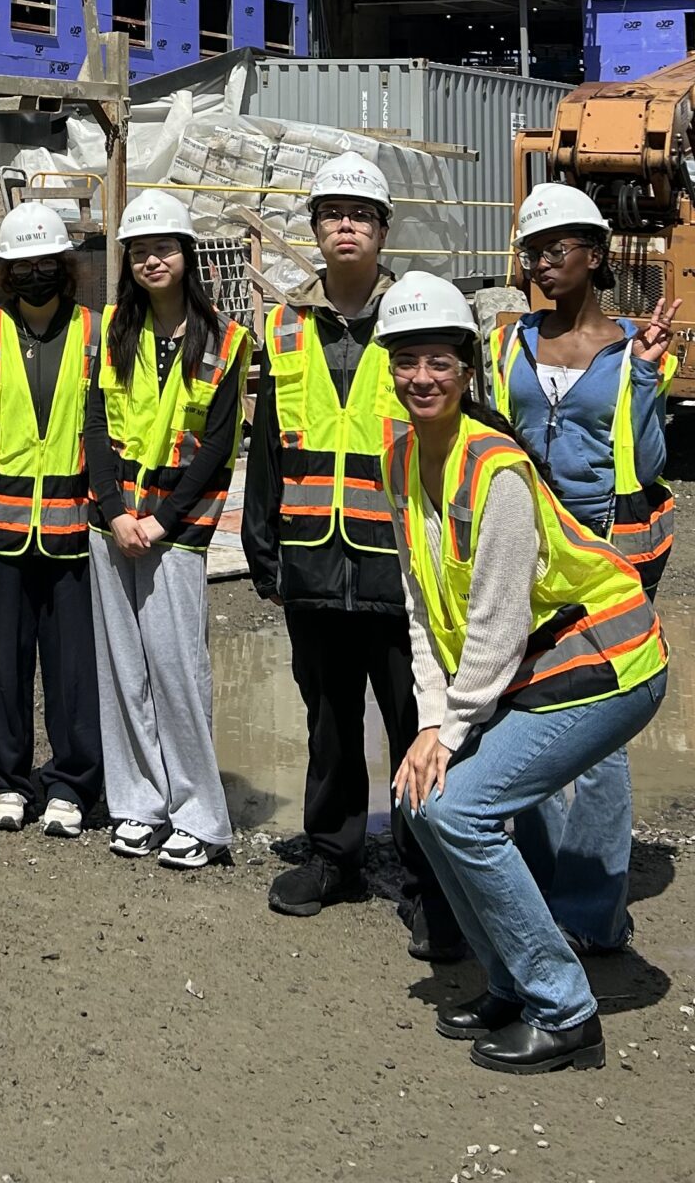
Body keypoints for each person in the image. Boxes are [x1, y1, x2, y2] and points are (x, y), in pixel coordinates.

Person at [380, 271, 669, 1075]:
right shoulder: (402, 457)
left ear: (467, 370)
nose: (422, 378)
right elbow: (420, 604)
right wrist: (431, 722)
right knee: (428, 803)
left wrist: (450, 727)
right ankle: (509, 977)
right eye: (407, 362)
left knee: (461, 811)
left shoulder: (494, 467)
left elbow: (498, 623)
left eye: (439, 361)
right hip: (536, 669)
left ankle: (563, 1008)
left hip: (610, 659)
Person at [243, 152, 462, 958]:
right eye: (332, 214)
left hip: (399, 571)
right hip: (312, 561)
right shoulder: (287, 326)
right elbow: (268, 447)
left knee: (416, 722)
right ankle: (333, 855)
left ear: (381, 231)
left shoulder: (418, 323)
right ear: (315, 230)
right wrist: (263, 550)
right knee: (329, 719)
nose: (346, 227)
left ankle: (427, 873)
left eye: (360, 215)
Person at [485, 182, 677, 956]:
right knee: (519, 711)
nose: (539, 264)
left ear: (593, 256)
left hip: (611, 549)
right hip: (531, 548)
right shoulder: (507, 344)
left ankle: (592, 910)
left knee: (600, 731)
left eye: (554, 250)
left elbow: (650, 461)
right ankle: (535, 883)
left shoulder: (633, 346)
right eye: (531, 251)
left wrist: (648, 382)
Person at [84, 189, 248, 871]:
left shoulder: (226, 340)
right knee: (122, 670)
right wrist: (117, 510)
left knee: (179, 670)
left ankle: (200, 815)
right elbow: (93, 427)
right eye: (141, 251)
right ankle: (137, 804)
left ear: (187, 256)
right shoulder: (113, 332)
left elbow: (217, 444)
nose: (153, 260)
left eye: (164, 249)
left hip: (175, 527)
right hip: (114, 521)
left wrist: (159, 519)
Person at [0, 202, 102, 838]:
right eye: (22, 265)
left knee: (73, 664)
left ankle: (71, 781)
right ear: (4, 273)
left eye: (46, 263)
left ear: (65, 266)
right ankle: (6, 779)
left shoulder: (100, 332)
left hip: (73, 527)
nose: (34, 274)